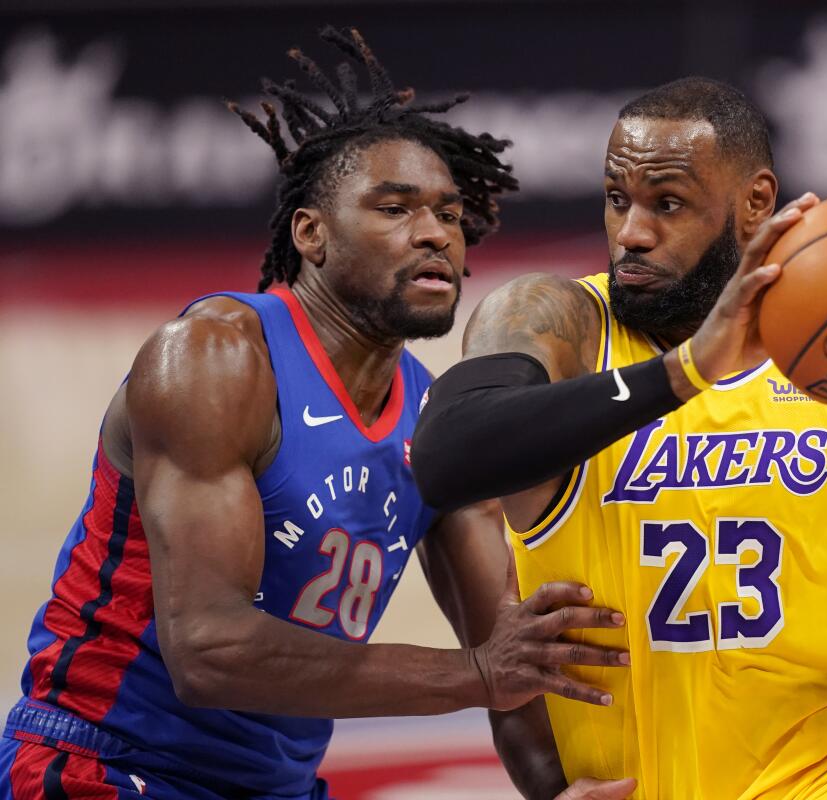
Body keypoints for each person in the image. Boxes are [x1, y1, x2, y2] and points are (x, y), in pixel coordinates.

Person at [0, 28, 629, 800]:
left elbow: (512, 658)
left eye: (449, 214)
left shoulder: (438, 421)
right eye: (395, 208)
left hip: (274, 785)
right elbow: (208, 652)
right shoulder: (215, 358)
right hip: (108, 761)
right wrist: (471, 676)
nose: (434, 232)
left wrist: (553, 788)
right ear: (311, 235)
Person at [412, 77, 827, 799]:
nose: (632, 232)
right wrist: (683, 372)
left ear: (754, 203)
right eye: (617, 198)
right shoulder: (558, 321)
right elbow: (444, 458)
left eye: (669, 203)